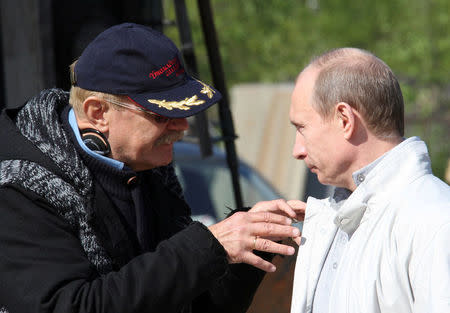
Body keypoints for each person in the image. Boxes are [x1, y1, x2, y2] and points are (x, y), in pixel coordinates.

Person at [0, 23, 304, 313]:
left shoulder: (149, 165)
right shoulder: (20, 186)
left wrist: (251, 239)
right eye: (161, 114)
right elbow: (71, 306)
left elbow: (187, 302)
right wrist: (207, 248)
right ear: (98, 112)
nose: (183, 126)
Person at [289, 47, 450, 313]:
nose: (297, 150)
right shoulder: (335, 219)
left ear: (344, 120)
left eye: (301, 128)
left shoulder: (436, 222)